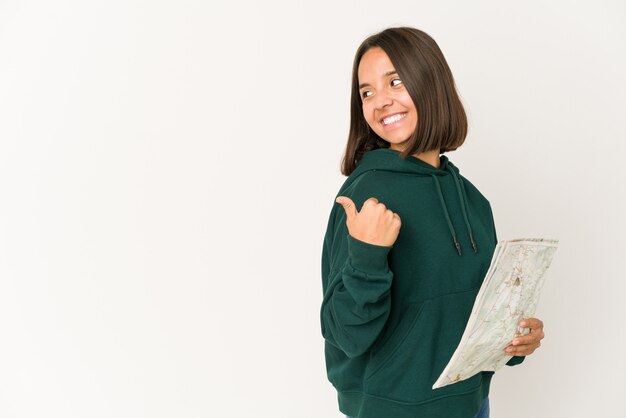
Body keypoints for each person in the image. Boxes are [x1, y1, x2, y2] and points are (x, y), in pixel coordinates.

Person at [319, 27, 545, 418]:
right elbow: (345, 335)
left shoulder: (472, 200)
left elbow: (468, 315)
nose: (380, 101)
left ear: (430, 83)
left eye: (395, 81)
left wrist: (515, 341)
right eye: (367, 92)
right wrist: (368, 256)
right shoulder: (366, 195)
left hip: (471, 405)